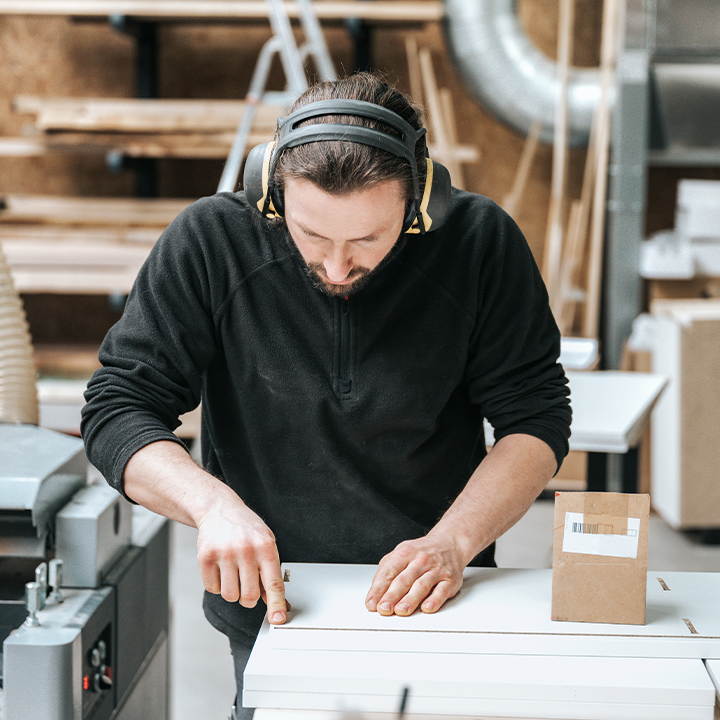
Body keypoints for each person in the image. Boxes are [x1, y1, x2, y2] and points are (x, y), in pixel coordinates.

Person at [81, 72, 571, 717]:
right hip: (274, 597)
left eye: (368, 239)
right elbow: (118, 406)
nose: (338, 267)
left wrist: (454, 542)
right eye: (312, 235)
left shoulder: (479, 243)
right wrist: (212, 505)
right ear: (272, 194)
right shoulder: (210, 242)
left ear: (422, 199)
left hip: (438, 588)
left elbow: (534, 418)